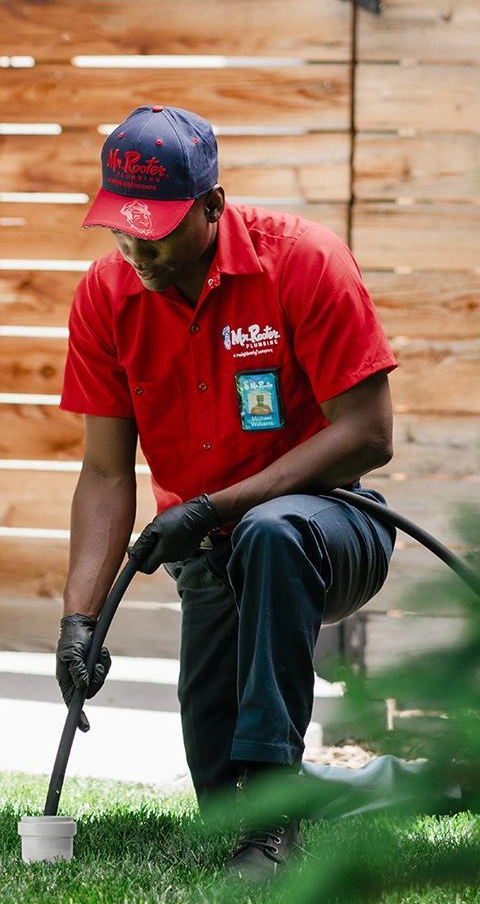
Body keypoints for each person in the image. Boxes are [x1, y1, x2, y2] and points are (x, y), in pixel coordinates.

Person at [55, 104, 398, 882]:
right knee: (224, 795)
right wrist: (80, 619)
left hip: (330, 528)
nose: (138, 249)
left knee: (271, 532)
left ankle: (278, 822)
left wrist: (219, 505)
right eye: (121, 228)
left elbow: (371, 432)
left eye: (161, 229)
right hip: (210, 554)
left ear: (213, 204)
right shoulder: (107, 298)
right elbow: (106, 471)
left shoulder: (303, 261)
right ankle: (385, 787)